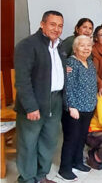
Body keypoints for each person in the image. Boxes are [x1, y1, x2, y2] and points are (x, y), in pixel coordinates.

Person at [14, 10, 66, 183]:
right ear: (42, 24)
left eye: (60, 26)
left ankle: (41, 176)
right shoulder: (27, 45)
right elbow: (22, 80)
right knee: (29, 144)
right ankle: (27, 179)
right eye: (52, 24)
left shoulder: (60, 45)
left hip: (55, 101)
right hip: (35, 102)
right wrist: (31, 106)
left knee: (49, 141)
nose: (56, 29)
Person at [58, 35, 97, 181]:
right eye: (82, 45)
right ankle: (65, 168)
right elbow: (68, 87)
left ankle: (77, 162)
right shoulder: (71, 63)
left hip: (88, 106)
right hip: (74, 109)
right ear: (75, 48)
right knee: (71, 138)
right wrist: (71, 106)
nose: (86, 48)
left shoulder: (90, 62)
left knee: (81, 137)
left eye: (89, 45)